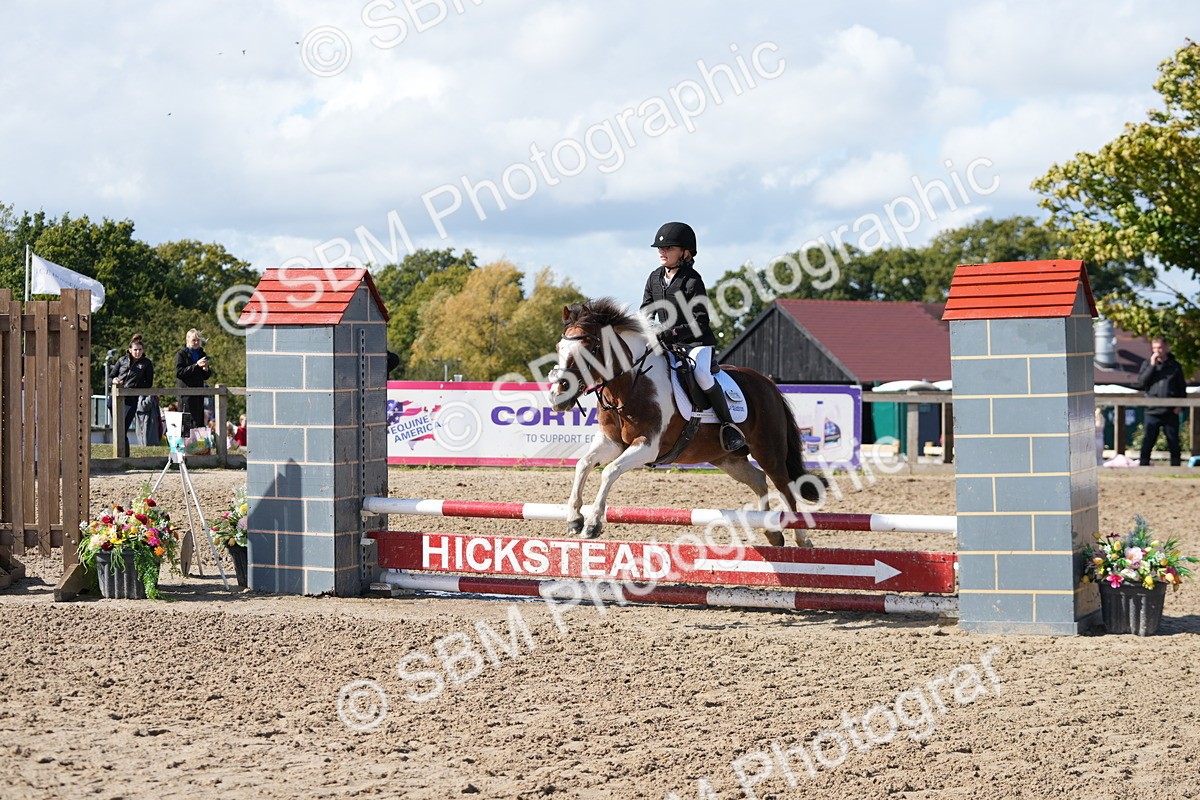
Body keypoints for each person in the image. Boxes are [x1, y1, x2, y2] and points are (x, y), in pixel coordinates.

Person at [641, 221, 744, 451]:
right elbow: (645, 311)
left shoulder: (692, 280)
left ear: (685, 253)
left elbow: (700, 321)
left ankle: (728, 427)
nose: (662, 252)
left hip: (696, 343)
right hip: (667, 344)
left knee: (702, 374)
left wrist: (672, 333)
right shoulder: (654, 278)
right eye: (660, 248)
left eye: (669, 248)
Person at [1136, 337, 1187, 466]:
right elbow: (1141, 383)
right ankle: (1143, 466)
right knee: (1148, 440)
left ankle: (1176, 468)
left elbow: (1182, 387)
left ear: (1166, 347)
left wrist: (1180, 406)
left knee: (1173, 441)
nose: (1157, 351)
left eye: (1159, 348)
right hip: (1152, 410)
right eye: (1154, 348)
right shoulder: (1147, 364)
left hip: (1170, 410)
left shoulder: (1174, 366)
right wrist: (1152, 366)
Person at [110, 334, 156, 447]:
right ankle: (121, 450)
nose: (137, 352)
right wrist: (115, 380)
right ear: (130, 350)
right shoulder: (122, 360)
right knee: (117, 426)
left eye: (140, 350)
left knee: (123, 427)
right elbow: (110, 377)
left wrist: (133, 385)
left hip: (131, 399)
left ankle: (124, 452)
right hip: (115, 397)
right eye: (135, 350)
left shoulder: (146, 363)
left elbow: (148, 383)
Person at [174, 329, 213, 430]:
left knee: (198, 423)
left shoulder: (202, 354)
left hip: (199, 394)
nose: (196, 343)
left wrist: (206, 369)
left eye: (198, 340)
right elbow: (179, 373)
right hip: (186, 395)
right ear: (187, 340)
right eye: (193, 340)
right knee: (186, 424)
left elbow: (206, 376)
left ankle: (197, 445)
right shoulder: (181, 354)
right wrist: (196, 365)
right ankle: (185, 445)